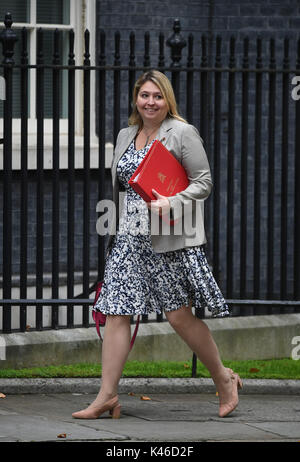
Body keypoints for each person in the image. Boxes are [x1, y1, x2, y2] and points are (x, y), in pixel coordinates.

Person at [72, 69, 242, 420]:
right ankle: (107, 396)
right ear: (136, 98)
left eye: (158, 96)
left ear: (168, 101)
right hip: (128, 238)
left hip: (167, 237)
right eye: (145, 95)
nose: (151, 102)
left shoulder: (182, 132)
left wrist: (173, 201)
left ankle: (224, 379)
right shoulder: (125, 135)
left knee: (179, 316)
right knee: (116, 312)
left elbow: (204, 181)